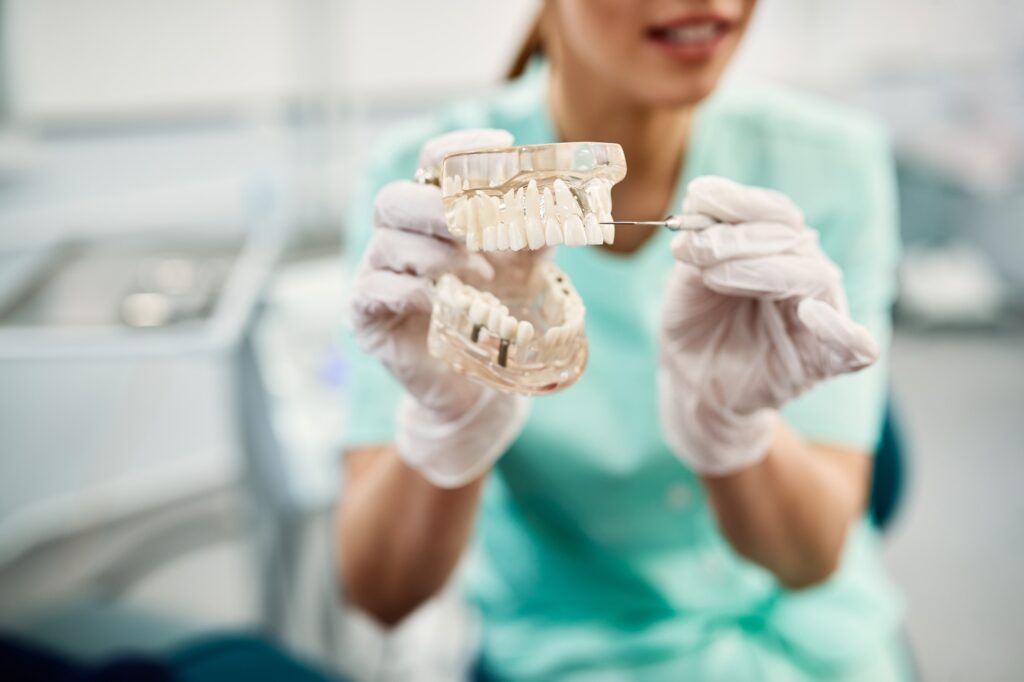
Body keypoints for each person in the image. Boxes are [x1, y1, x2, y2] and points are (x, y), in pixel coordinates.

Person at [337, 1, 909, 679]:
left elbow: (810, 559)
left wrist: (734, 428)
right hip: (570, 658)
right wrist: (448, 425)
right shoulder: (424, 196)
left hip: (815, 651)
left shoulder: (833, 162)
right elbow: (381, 593)